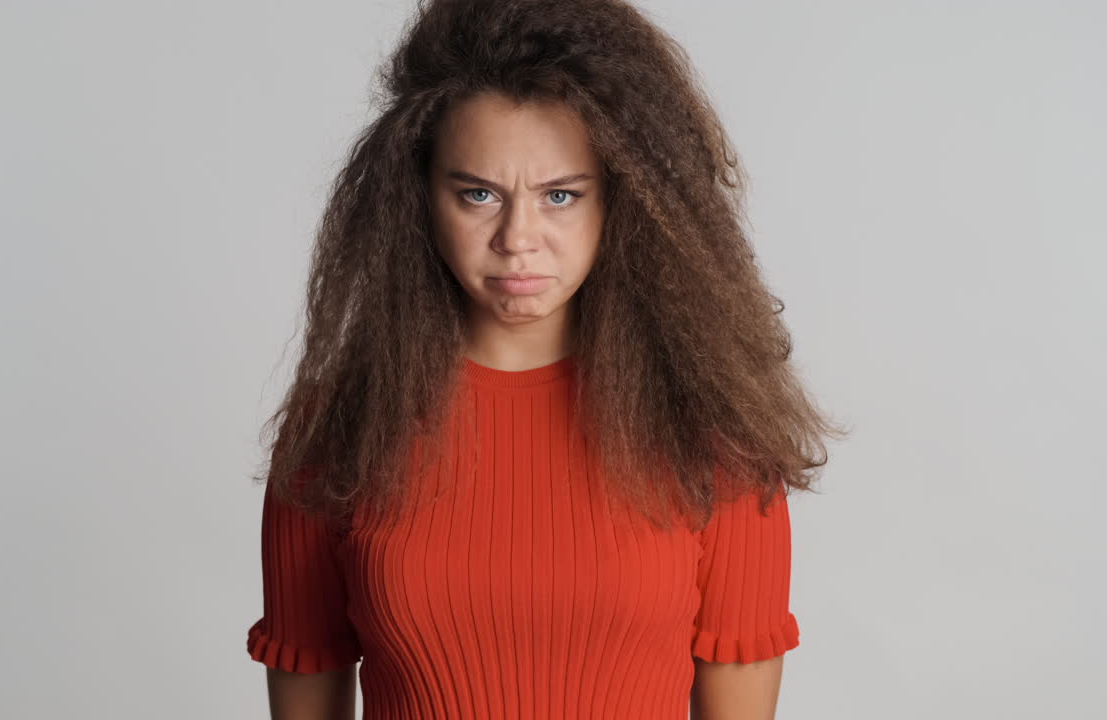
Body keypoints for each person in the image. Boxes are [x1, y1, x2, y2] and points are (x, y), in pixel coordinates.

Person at [245, 0, 847, 717]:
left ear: (624, 202)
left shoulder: (718, 434)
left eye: (560, 195)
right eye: (477, 195)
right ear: (420, 199)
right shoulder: (338, 431)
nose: (517, 238)